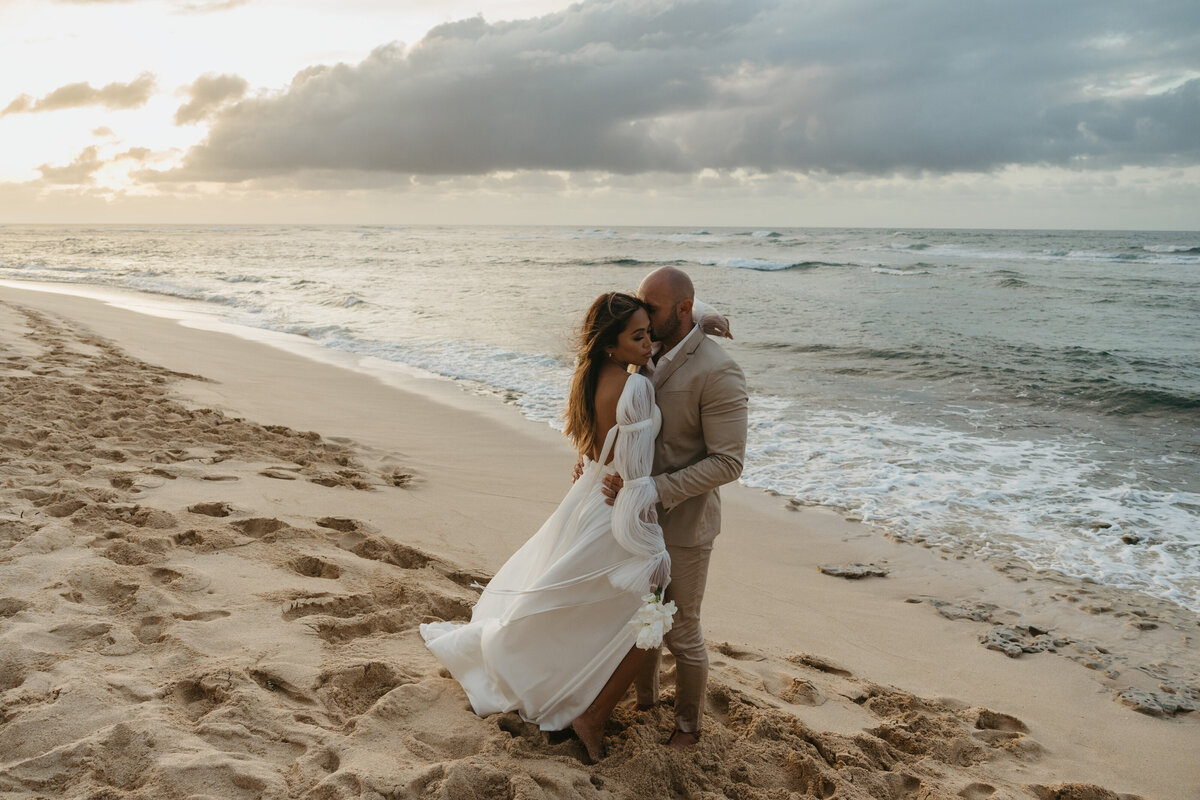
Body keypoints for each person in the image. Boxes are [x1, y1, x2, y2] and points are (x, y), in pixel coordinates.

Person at [420, 291, 672, 763]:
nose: (650, 343)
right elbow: (637, 474)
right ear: (612, 345)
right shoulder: (635, 388)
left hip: (587, 496)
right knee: (654, 611)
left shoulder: (591, 375)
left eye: (651, 333)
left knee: (577, 606)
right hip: (619, 512)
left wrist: (699, 323)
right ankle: (591, 717)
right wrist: (647, 528)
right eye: (638, 336)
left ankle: (561, 682)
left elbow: (594, 450)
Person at [601, 266, 748, 749]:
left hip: (685, 525)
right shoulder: (650, 345)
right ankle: (646, 704)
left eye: (654, 307)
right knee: (638, 618)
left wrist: (653, 489)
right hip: (634, 521)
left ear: (683, 311)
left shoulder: (718, 370)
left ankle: (688, 727)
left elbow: (728, 462)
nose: (643, 314)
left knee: (681, 632)